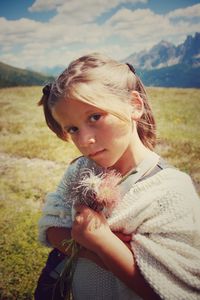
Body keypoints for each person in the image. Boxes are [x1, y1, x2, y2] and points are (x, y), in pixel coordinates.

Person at [35, 53, 200, 300]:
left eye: (95, 117)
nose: (84, 140)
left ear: (134, 105)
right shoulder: (80, 170)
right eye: (73, 129)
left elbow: (175, 288)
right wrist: (93, 248)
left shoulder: (170, 190)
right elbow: (51, 227)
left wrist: (102, 242)